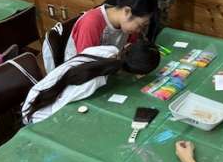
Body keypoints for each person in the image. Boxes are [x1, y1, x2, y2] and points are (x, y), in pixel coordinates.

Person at [23, 40, 160, 124]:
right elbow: (57, 110)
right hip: (37, 114)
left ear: (128, 46)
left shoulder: (110, 51)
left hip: (40, 94)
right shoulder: (91, 82)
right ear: (139, 74)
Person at [63, 0, 157, 62]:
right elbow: (84, 63)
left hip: (107, 67)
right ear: (127, 11)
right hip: (81, 73)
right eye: (140, 25)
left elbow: (131, 46)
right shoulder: (91, 23)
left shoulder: (126, 25)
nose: (139, 31)